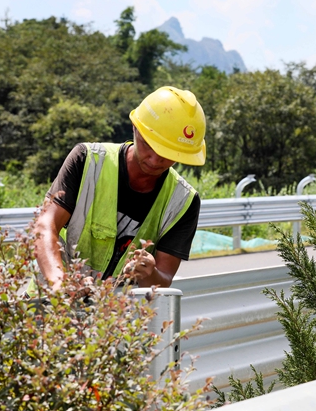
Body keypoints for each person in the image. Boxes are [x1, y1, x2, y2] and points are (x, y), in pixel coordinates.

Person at [29, 86, 205, 296]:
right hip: (49, 303)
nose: (155, 159)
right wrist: (60, 283)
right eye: (150, 145)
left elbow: (163, 280)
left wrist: (149, 272)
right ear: (135, 128)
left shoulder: (183, 201)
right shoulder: (87, 160)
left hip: (111, 318)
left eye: (168, 153)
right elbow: (45, 227)